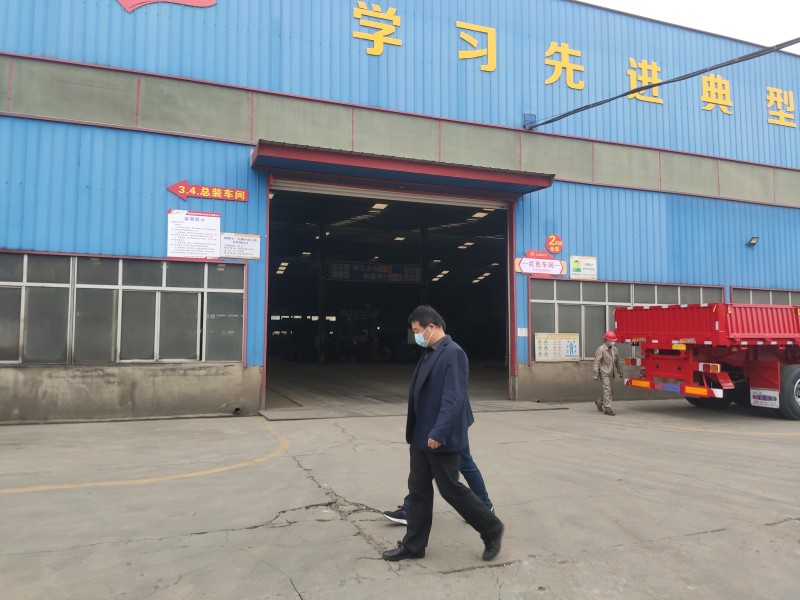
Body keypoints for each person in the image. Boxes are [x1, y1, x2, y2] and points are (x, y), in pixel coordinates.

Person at [382, 306, 504, 562]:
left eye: (417, 330)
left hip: (439, 438)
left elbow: (454, 398)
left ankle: (492, 528)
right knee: (418, 490)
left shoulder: (453, 353)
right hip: (420, 436)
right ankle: (414, 546)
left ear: (431, 326)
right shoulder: (430, 352)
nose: (416, 335)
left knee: (451, 490)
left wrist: (439, 432)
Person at [383, 403, 494, 525]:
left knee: (462, 463)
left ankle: (485, 509)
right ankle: (485, 508)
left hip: (445, 422)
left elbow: (452, 398)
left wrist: (440, 430)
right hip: (436, 420)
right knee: (425, 466)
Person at [593, 330, 624, 416]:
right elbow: (597, 362)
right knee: (607, 389)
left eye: (614, 340)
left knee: (611, 390)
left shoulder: (615, 350)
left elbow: (618, 362)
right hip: (604, 372)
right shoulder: (601, 350)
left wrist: (620, 371)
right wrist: (595, 374)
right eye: (612, 340)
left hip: (612, 373)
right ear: (607, 340)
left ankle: (599, 402)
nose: (613, 342)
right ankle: (607, 408)